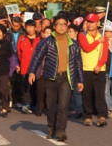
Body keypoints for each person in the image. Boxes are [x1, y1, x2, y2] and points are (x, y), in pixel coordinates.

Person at [28, 14, 84, 142]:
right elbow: (37, 57)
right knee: (51, 106)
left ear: (67, 26)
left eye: (64, 24)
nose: (61, 27)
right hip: (51, 78)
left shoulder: (74, 44)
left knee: (63, 106)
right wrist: (32, 72)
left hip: (66, 78)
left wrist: (81, 80)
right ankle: (51, 127)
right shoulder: (47, 42)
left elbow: (78, 63)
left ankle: (61, 130)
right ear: (54, 26)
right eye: (58, 24)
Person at [78, 12, 109, 127]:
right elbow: (87, 48)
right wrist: (97, 42)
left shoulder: (103, 36)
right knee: (87, 94)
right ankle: (88, 116)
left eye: (92, 22)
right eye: (88, 22)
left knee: (100, 94)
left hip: (100, 69)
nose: (90, 24)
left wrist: (99, 65)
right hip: (86, 68)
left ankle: (101, 116)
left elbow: (105, 54)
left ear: (97, 23)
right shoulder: (82, 35)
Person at [17, 20, 41, 114]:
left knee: (36, 87)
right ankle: (26, 104)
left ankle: (35, 104)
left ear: (35, 28)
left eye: (31, 27)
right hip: (25, 67)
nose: (30, 29)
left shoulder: (40, 39)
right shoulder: (22, 39)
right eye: (28, 27)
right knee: (26, 87)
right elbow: (19, 53)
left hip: (37, 68)